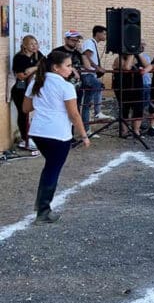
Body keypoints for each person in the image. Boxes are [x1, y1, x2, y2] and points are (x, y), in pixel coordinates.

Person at [23, 50, 91, 224]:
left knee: (50, 167)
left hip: (38, 132)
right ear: (56, 67)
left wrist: (43, 102)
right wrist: (84, 135)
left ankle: (42, 207)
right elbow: (74, 114)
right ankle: (43, 211)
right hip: (58, 134)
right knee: (52, 170)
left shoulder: (36, 82)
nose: (71, 69)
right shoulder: (66, 87)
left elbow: (26, 108)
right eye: (67, 66)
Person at [11, 35, 45, 151]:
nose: (35, 46)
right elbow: (21, 75)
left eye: (36, 44)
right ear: (25, 46)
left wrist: (32, 69)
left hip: (34, 89)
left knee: (34, 114)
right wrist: (35, 68)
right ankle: (25, 139)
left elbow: (45, 64)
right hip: (20, 90)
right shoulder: (19, 58)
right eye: (31, 44)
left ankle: (34, 136)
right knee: (23, 113)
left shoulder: (38, 55)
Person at [112, 49, 152, 138]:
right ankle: (125, 131)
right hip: (123, 86)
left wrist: (144, 71)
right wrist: (132, 54)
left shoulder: (138, 57)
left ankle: (136, 130)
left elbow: (149, 66)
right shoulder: (119, 58)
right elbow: (127, 67)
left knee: (138, 108)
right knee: (125, 108)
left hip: (137, 85)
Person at [80, 25, 111, 135]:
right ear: (97, 33)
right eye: (104, 33)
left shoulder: (92, 43)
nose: (105, 36)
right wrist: (97, 68)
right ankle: (98, 112)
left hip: (91, 74)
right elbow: (87, 56)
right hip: (88, 74)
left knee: (86, 104)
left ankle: (87, 129)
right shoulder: (89, 43)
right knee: (98, 85)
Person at [52, 30, 85, 107]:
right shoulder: (57, 51)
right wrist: (72, 69)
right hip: (62, 85)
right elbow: (52, 66)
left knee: (76, 107)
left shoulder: (78, 53)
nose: (75, 42)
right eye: (73, 40)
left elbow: (85, 66)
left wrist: (82, 52)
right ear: (66, 39)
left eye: (77, 41)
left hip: (77, 85)